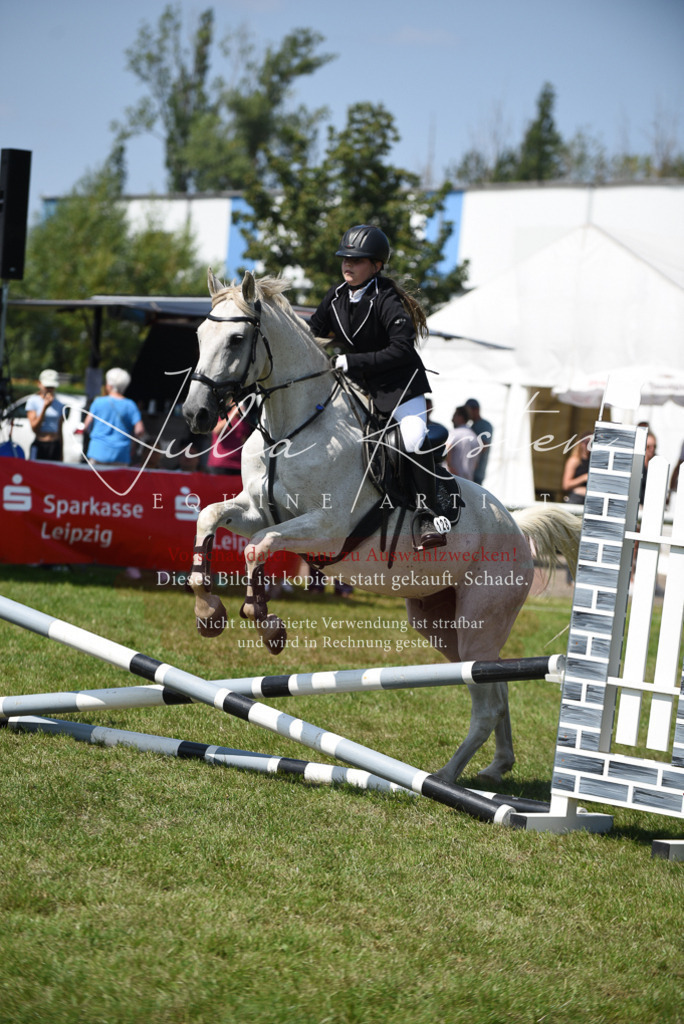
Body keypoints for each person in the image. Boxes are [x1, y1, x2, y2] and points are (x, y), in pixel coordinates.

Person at [308, 224, 450, 551]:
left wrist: (352, 362)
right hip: (360, 389)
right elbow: (312, 333)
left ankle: (428, 513)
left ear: (376, 266)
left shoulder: (385, 298)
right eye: (345, 258)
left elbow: (402, 348)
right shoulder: (336, 296)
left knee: (413, 440)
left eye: (357, 261)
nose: (348, 265)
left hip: (400, 388)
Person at [83, 368, 145, 466]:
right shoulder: (130, 405)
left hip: (97, 451)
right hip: (121, 454)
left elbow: (86, 426)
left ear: (109, 385)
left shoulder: (98, 402)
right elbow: (140, 430)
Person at [26, 369, 65, 461]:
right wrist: (45, 408)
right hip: (40, 444)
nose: (49, 390)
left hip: (55, 445)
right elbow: (35, 428)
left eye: (52, 387)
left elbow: (60, 431)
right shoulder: (33, 401)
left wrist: (61, 451)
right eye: (47, 387)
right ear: (40, 384)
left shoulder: (59, 404)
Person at [207, 400, 253, 476]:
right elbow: (217, 430)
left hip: (239, 465)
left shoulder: (244, 421)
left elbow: (244, 440)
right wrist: (233, 414)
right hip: (221, 464)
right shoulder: (222, 415)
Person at [464, 399, 493, 485]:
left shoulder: (484, 425)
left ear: (476, 410)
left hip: (476, 472)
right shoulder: (472, 425)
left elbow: (483, 447)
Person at [446, 406, 480, 481]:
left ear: (460, 416)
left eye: (454, 415)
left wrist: (449, 467)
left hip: (452, 480)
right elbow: (475, 464)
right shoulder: (474, 436)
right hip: (468, 482)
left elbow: (447, 451)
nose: (452, 419)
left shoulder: (454, 434)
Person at [562, 437, 591, 504]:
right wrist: (583, 478)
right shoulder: (575, 460)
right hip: (577, 498)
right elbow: (566, 485)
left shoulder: (595, 461)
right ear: (581, 444)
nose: (589, 445)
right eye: (587, 442)